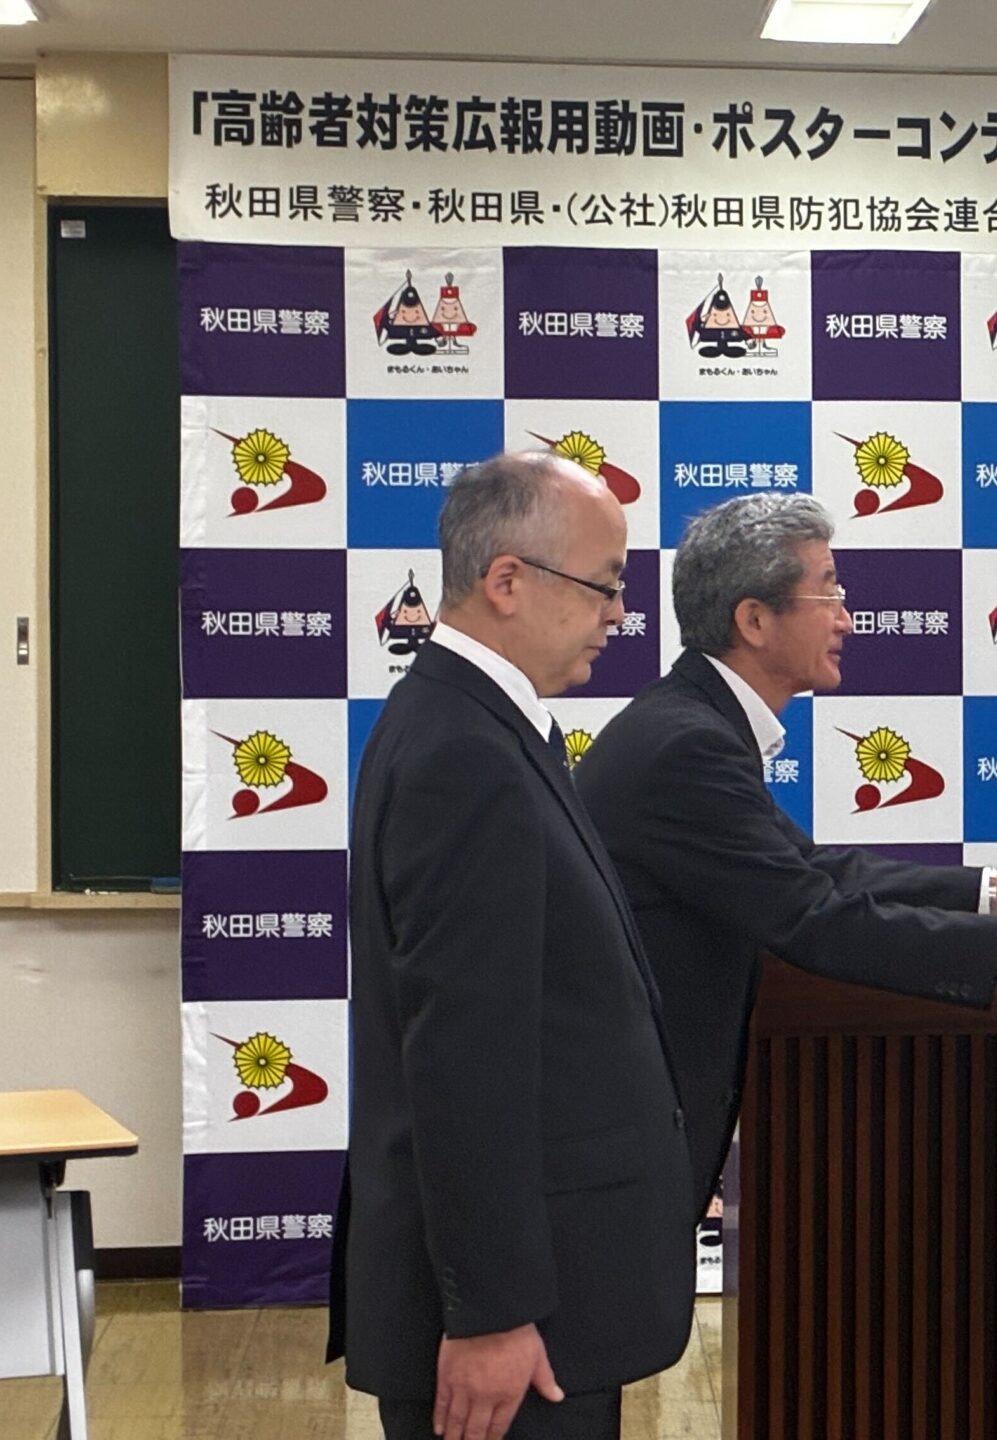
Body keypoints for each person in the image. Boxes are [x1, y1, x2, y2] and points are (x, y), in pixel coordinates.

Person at [573, 493, 997, 1204]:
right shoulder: (688, 746)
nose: (846, 618)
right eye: (828, 593)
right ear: (754, 620)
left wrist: (989, 892)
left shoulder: (692, 724)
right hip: (618, 1145)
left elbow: (808, 868)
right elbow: (814, 917)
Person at [332, 452, 696, 1440]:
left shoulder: (479, 724)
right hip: (515, 1330)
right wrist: (490, 1312)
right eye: (604, 585)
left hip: (554, 1300)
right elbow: (465, 1053)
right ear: (506, 581)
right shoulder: (463, 753)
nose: (618, 613)